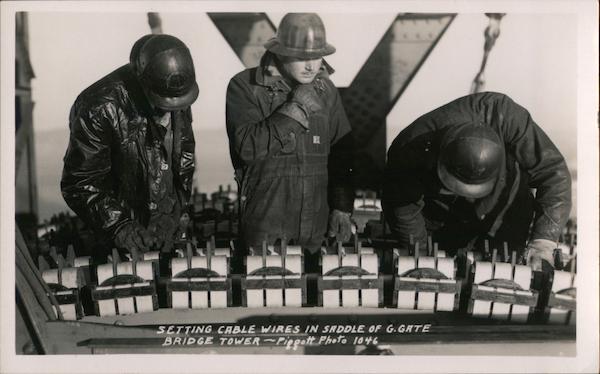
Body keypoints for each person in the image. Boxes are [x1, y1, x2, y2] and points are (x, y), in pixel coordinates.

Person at [382, 92, 572, 271]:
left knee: (509, 275)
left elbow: (553, 172)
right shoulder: (408, 149)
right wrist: (420, 253)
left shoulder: (507, 117)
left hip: (505, 209)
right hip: (440, 217)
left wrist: (543, 241)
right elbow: (403, 208)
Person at [225, 13, 355, 257]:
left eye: (317, 57)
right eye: (301, 57)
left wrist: (342, 207)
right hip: (266, 230)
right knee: (266, 294)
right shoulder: (245, 86)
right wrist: (295, 110)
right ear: (280, 52)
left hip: (316, 231)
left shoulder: (326, 91)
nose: (311, 66)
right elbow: (247, 148)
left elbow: (342, 154)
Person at [61, 34, 198, 257]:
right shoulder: (98, 107)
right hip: (117, 243)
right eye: (162, 102)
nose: (170, 110)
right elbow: (79, 183)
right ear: (143, 82)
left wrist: (173, 212)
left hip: (164, 235)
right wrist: (120, 226)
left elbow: (183, 159)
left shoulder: (176, 96)